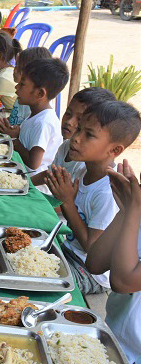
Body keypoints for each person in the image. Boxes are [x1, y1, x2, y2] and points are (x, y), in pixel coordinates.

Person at [46, 101, 140, 294]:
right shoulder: (82, 169)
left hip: (89, 273)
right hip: (68, 251)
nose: (76, 138)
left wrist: (68, 203)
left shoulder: (107, 191)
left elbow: (91, 247)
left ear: (115, 151)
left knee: (39, 278)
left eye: (88, 135)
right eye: (79, 129)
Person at [88, 145, 141, 364]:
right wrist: (124, 212)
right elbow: (95, 264)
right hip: (116, 340)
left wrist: (133, 211)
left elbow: (122, 282)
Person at [31, 87, 116, 188]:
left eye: (79, 119)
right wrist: (25, 183)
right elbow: (49, 174)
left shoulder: (85, 163)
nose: (69, 122)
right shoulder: (66, 146)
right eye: (68, 113)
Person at [11, 58, 69, 176]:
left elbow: (33, 163)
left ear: (40, 93)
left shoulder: (44, 122)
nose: (16, 88)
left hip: (34, 186)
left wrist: (15, 140)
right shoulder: (35, 114)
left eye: (22, 84)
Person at [0, 46, 53, 135]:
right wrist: (4, 123)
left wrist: (14, 133)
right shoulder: (22, 95)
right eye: (15, 65)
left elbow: (29, 131)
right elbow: (16, 119)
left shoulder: (35, 103)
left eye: (19, 68)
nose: (15, 70)